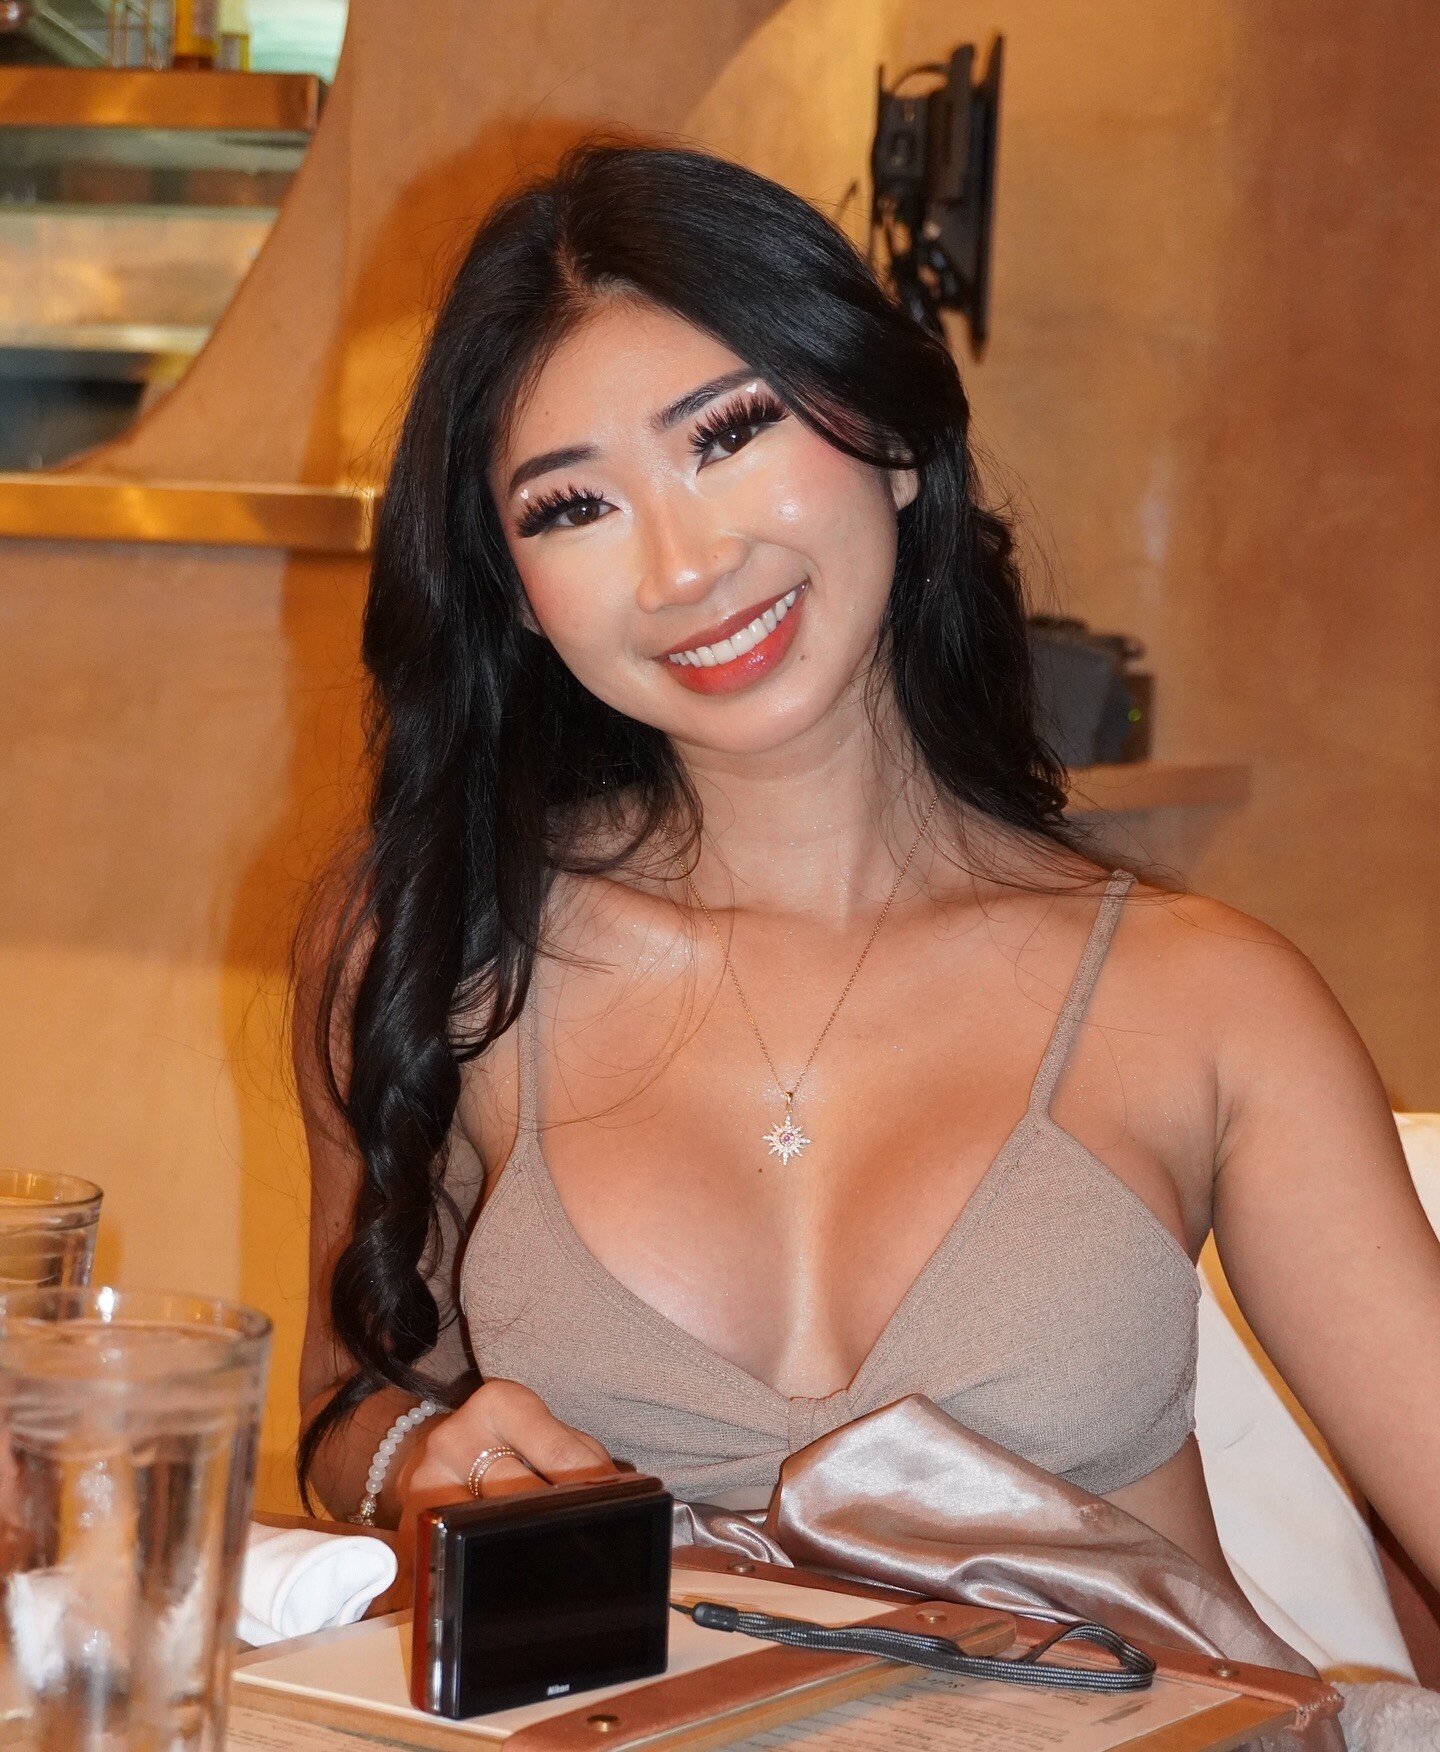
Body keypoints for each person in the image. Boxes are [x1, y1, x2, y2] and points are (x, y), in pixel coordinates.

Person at [294, 143, 1440, 1624]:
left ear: (893, 440)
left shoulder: (1210, 1000)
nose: (684, 568)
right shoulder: (438, 942)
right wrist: (414, 1457)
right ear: (516, 595)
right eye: (573, 508)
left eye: (728, 433)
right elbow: (343, 1407)